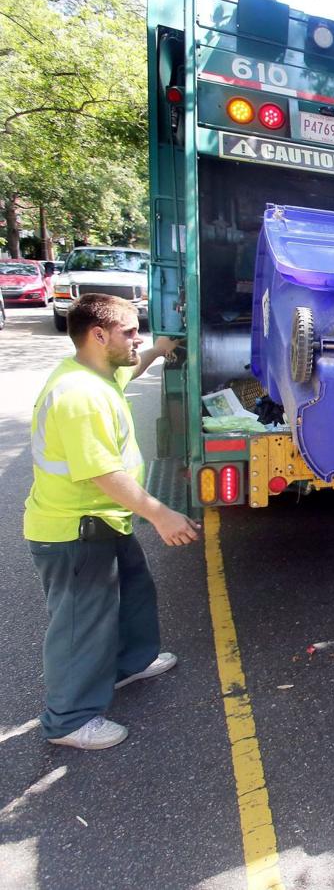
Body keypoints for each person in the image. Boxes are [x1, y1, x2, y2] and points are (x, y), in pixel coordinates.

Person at [25, 293, 201, 750]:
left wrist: (159, 351)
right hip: (74, 530)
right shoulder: (79, 396)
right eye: (129, 331)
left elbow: (130, 369)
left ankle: (130, 663)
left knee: (133, 594)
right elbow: (103, 472)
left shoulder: (97, 374)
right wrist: (160, 514)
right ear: (98, 335)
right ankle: (68, 720)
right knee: (81, 623)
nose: (136, 336)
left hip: (103, 523)